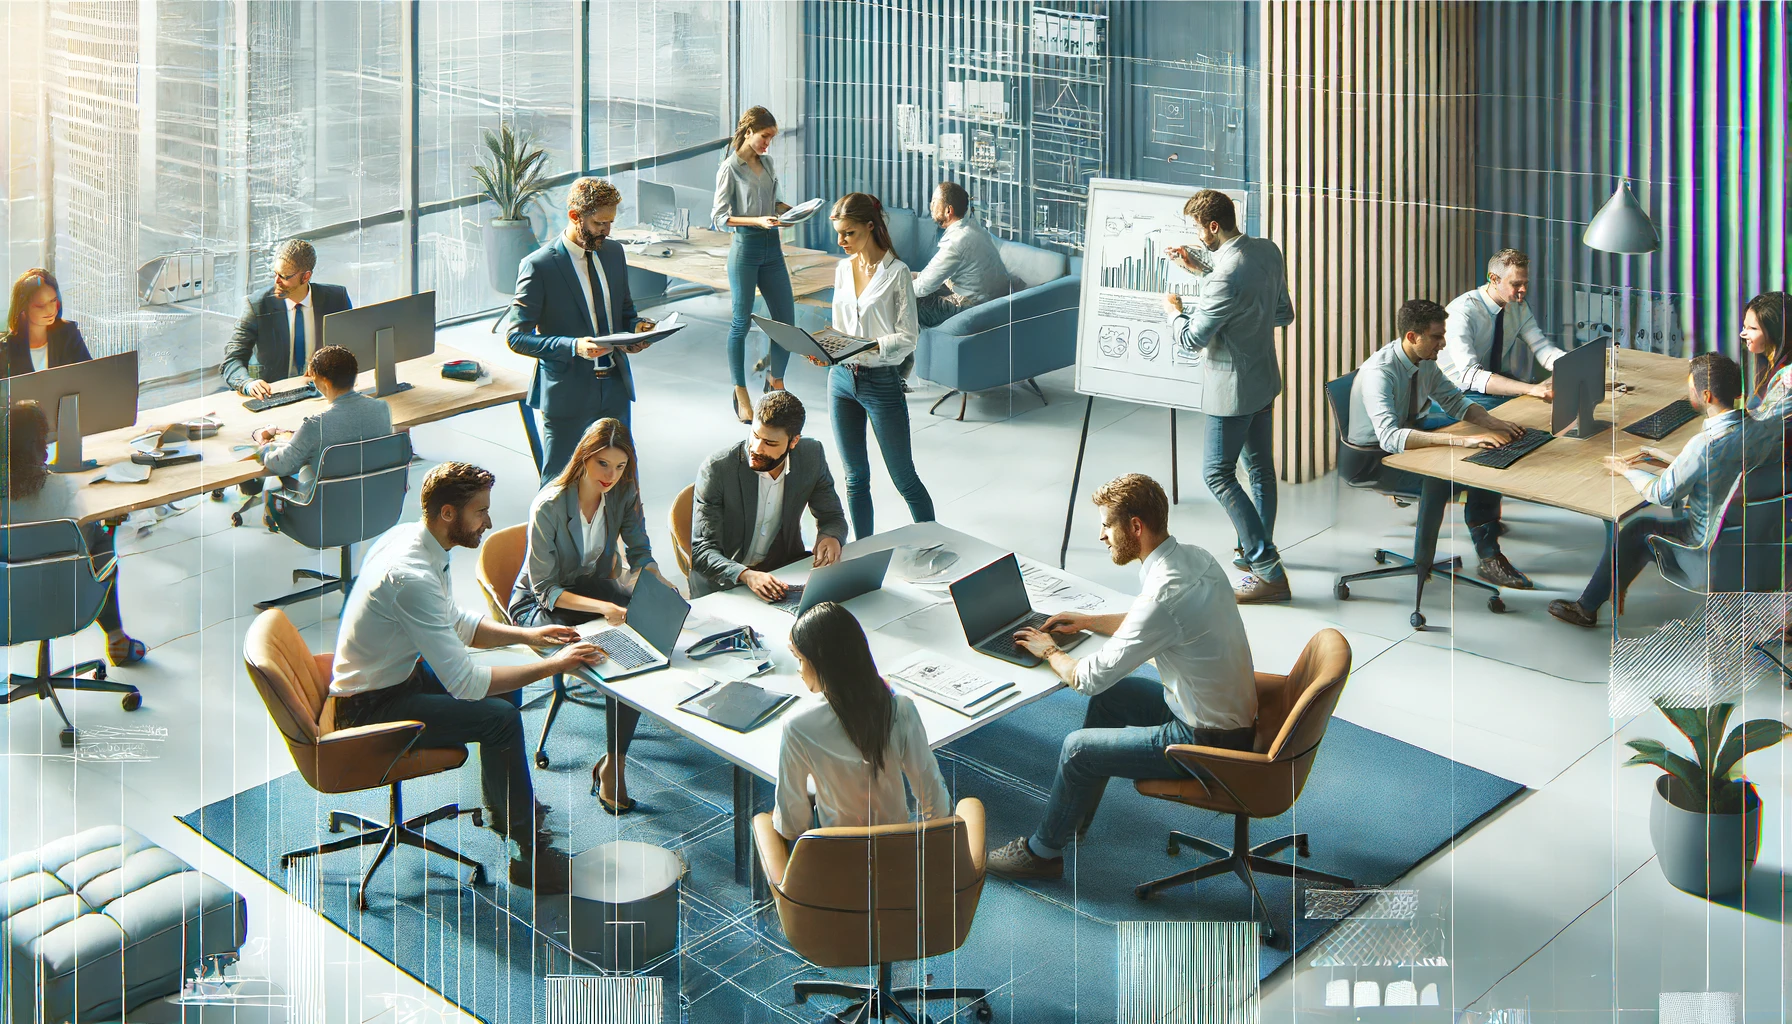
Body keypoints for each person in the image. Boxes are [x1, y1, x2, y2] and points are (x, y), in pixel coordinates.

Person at [330, 462, 605, 893]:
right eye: (480, 511)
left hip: (398, 677)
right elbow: (466, 684)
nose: (488, 521)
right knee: (499, 718)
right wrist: (555, 665)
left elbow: (455, 623)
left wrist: (528, 633)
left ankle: (509, 812)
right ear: (447, 515)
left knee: (507, 694)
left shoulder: (415, 541)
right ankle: (526, 856)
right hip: (370, 708)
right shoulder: (411, 577)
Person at [984, 473, 1257, 880]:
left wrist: (1050, 650)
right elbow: (1155, 621)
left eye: (1106, 525)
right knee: (1116, 697)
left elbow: (1086, 679)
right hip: (1227, 714)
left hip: (1203, 740)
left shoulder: (1164, 592)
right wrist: (1089, 622)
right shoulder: (1194, 558)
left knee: (1077, 748)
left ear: (1135, 527)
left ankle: (1042, 854)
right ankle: (1072, 817)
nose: (1101, 536)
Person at [507, 418, 669, 814]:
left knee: (639, 648)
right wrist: (605, 608)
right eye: (602, 465)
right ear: (583, 460)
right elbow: (546, 589)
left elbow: (640, 553)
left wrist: (659, 583)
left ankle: (615, 761)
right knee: (609, 651)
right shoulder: (549, 505)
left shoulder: (623, 493)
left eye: (619, 467)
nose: (611, 476)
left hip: (591, 589)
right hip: (541, 604)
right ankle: (613, 769)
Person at [1161, 189, 1296, 603]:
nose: (1196, 236)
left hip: (1231, 392)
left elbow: (1192, 338)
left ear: (1213, 226)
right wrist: (1201, 270)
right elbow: (1281, 313)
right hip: (1263, 380)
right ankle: (1256, 548)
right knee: (1259, 471)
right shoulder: (1267, 251)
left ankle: (1266, 567)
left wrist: (1174, 311)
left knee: (1217, 474)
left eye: (1197, 229)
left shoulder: (1224, 276)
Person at [1344, 299, 1534, 589]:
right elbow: (1390, 437)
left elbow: (1453, 400)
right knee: (1450, 473)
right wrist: (1462, 441)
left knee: (1489, 447)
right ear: (1412, 337)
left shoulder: (1423, 361)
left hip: (1411, 430)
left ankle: (1486, 533)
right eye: (1436, 336)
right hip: (1373, 458)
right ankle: (1459, 559)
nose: (1443, 344)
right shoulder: (1379, 373)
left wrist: (1493, 423)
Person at [1548, 354, 1747, 628]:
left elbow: (1663, 495)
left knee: (1639, 529)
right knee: (1643, 525)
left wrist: (1626, 469)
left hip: (1705, 551)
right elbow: (1717, 470)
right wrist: (1670, 462)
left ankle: (1586, 608)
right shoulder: (1757, 431)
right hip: (1746, 541)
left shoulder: (1704, 445)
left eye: (1690, 388)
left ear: (1706, 396)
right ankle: (1608, 594)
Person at [508, 177, 657, 482]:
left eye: (611, 222)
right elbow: (516, 337)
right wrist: (574, 346)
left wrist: (637, 329)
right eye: (600, 222)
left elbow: (624, 312)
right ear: (575, 217)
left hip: (615, 388)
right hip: (567, 393)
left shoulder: (613, 253)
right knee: (558, 485)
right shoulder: (539, 266)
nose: (607, 230)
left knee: (621, 484)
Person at [772, 602, 952, 840]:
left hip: (838, 856)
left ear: (821, 664)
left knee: (767, 821)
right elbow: (934, 799)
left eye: (800, 659)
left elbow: (792, 826)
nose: (799, 670)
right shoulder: (900, 709)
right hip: (897, 853)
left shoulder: (797, 727)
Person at [812, 192, 934, 539]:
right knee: (854, 478)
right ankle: (863, 552)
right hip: (839, 379)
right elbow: (838, 326)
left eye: (848, 233)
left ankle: (934, 544)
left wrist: (869, 346)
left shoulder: (896, 275)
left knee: (904, 478)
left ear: (870, 226)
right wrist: (825, 348)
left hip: (880, 382)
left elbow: (908, 337)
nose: (841, 241)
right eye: (838, 232)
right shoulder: (841, 269)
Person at [2, 401, 147, 666]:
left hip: (5, 614)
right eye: (42, 441)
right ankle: (116, 638)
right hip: (67, 605)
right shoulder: (63, 489)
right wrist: (110, 524)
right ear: (37, 447)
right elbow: (90, 544)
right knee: (100, 543)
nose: (46, 449)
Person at [690, 390, 849, 600]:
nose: (756, 448)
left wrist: (831, 537)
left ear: (794, 442)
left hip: (782, 572)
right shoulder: (717, 469)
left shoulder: (811, 455)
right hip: (725, 583)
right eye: (755, 436)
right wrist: (746, 575)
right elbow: (702, 551)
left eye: (770, 443)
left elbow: (832, 517)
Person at [712, 106, 798, 423]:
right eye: (765, 137)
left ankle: (775, 382)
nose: (768, 144)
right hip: (746, 251)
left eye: (772, 138)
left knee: (786, 323)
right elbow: (720, 219)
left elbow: (772, 202)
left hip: (772, 251)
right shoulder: (730, 169)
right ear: (749, 131)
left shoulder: (768, 163)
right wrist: (757, 221)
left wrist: (790, 211)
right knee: (741, 323)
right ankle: (740, 392)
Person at [249, 345, 392, 503]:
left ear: (325, 382)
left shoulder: (317, 424)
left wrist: (263, 448)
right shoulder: (382, 409)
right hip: (373, 501)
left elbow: (283, 465)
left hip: (329, 507)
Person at [222, 239, 353, 399]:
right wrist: (248, 384)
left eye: (284, 276)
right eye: (275, 273)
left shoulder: (336, 298)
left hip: (324, 393)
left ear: (306, 277)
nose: (276, 281)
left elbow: (352, 348)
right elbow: (232, 358)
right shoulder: (257, 305)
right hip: (275, 395)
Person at [1437, 249, 1561, 410]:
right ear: (1493, 279)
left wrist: (1567, 367)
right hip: (1456, 393)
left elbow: (1542, 348)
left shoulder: (1518, 307)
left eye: (1525, 283)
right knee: (1528, 418)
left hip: (1490, 389)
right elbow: (1471, 376)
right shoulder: (1462, 312)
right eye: (1516, 284)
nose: (1523, 289)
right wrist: (1532, 389)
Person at [910, 181, 1013, 329]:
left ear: (948, 210)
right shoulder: (974, 229)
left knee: (900, 302)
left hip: (972, 308)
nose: (931, 207)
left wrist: (893, 291)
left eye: (934, 203)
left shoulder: (957, 241)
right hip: (989, 301)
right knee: (909, 276)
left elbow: (922, 287)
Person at [2, 268, 92, 378]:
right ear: (23, 309)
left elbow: (90, 377)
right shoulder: (6, 349)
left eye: (53, 300)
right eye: (40, 305)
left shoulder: (69, 334)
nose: (50, 310)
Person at [1739, 291, 1790, 479]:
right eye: (1744, 326)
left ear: (1775, 333)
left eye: (1752, 328)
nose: (1743, 333)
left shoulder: (1787, 379)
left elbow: (1761, 423)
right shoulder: (1766, 363)